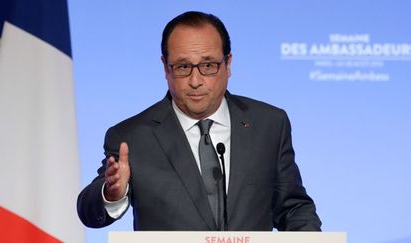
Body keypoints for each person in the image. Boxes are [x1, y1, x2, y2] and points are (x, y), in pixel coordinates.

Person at [77, 11, 321, 231]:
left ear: (228, 64)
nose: (195, 80)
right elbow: (89, 211)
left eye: (208, 65)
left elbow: (292, 209)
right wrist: (111, 194)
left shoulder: (269, 124)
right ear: (165, 67)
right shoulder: (133, 137)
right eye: (183, 67)